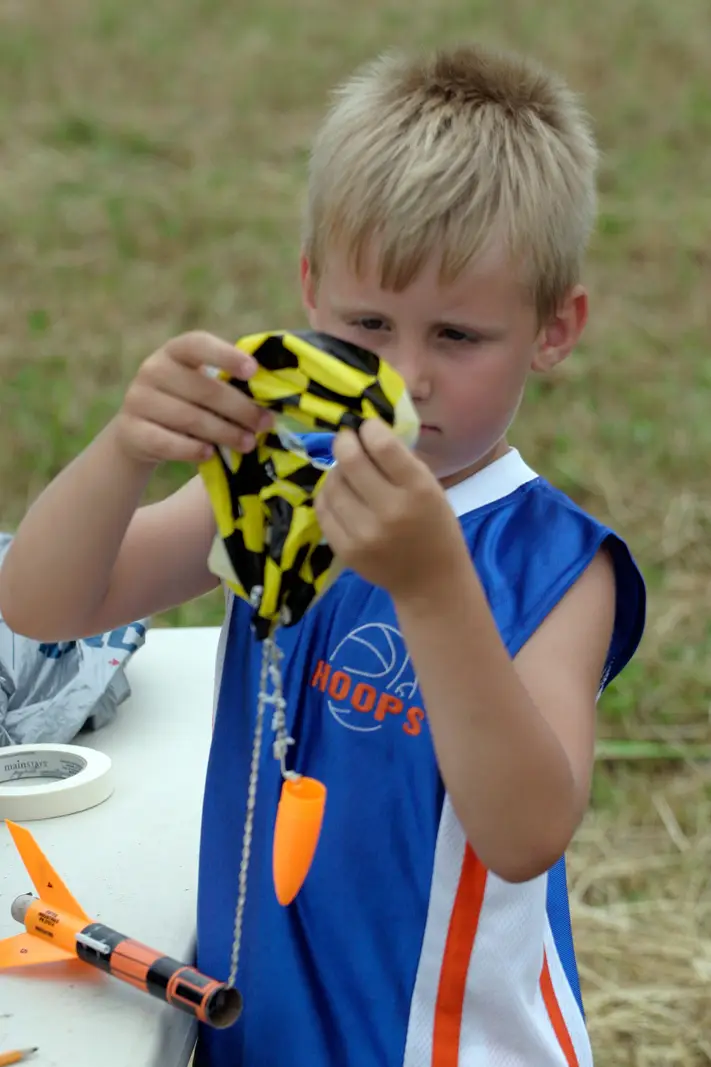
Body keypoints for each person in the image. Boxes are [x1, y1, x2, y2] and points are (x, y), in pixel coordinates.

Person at [0, 41, 646, 1067]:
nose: (407, 376)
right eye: (369, 323)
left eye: (459, 336)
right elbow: (43, 605)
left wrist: (432, 582)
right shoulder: (280, 482)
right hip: (257, 1024)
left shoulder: (557, 562)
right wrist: (125, 449)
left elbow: (526, 829)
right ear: (310, 293)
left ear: (553, 330)